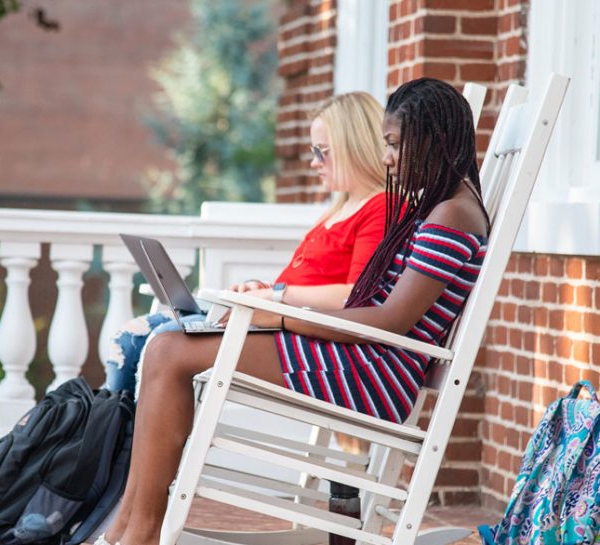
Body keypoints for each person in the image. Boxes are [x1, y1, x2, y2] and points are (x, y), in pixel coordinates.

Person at [98, 78, 490, 545]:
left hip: (373, 373)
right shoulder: (441, 208)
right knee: (167, 347)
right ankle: (129, 527)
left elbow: (390, 322)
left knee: (169, 352)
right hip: (360, 357)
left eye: (393, 145)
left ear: (434, 140)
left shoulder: (452, 215)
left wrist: (276, 316)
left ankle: (138, 533)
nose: (387, 158)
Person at [106, 91, 389, 396]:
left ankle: (124, 440)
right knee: (128, 338)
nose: (313, 162)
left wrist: (277, 295)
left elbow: (355, 294)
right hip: (270, 320)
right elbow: (305, 282)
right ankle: (114, 437)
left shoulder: (379, 207)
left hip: (300, 338)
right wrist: (261, 289)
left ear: (354, 147)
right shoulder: (338, 210)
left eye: (322, 151)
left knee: (161, 338)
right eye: (312, 151)